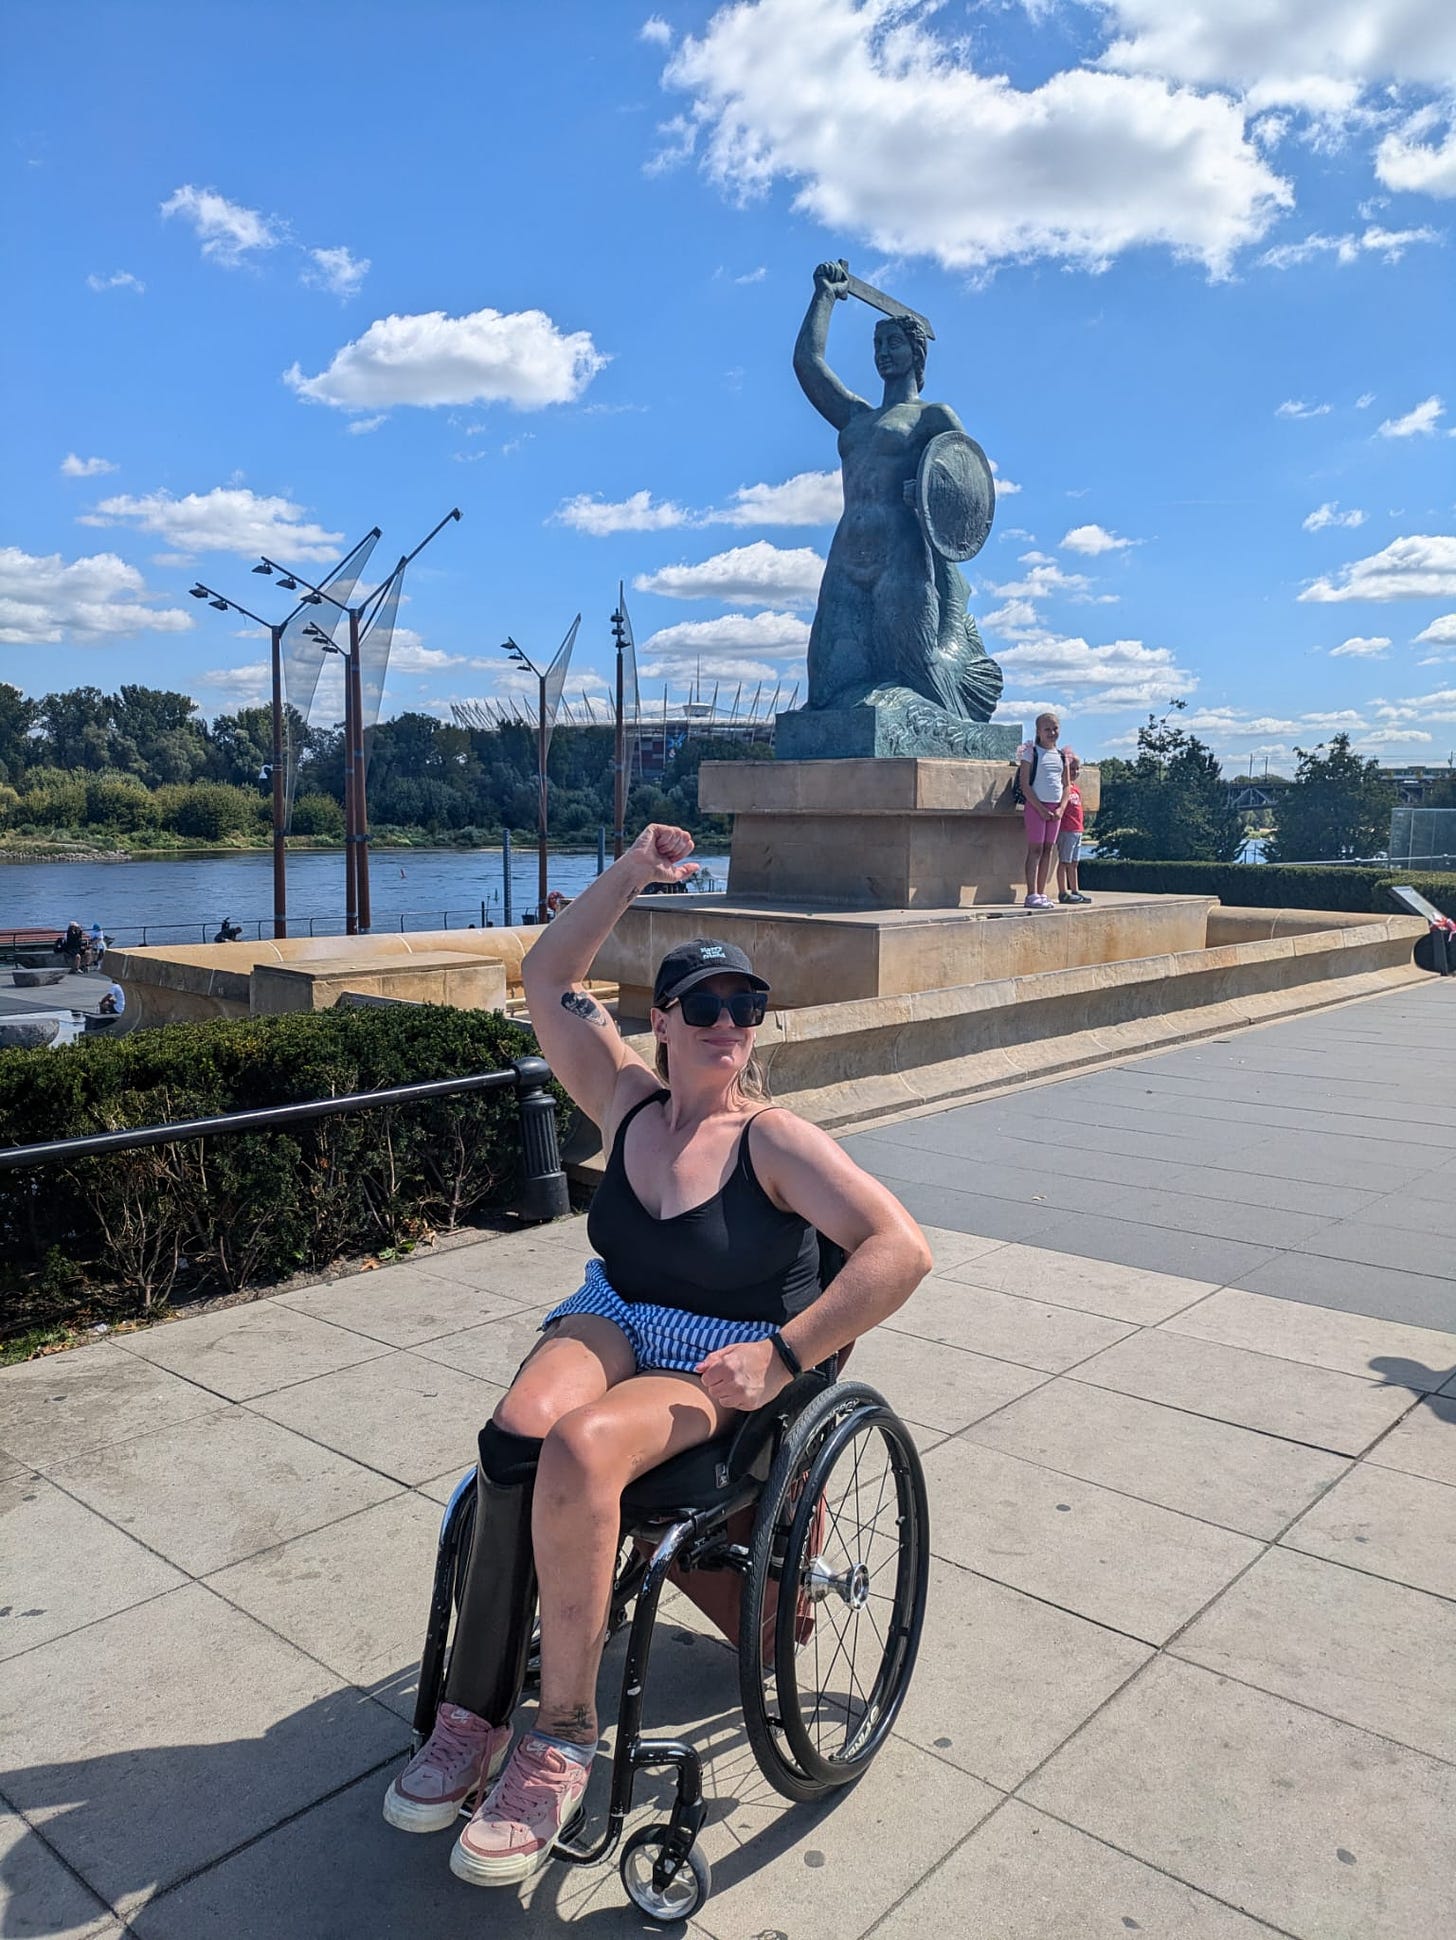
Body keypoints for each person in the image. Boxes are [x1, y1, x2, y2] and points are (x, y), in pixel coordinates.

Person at [382, 823, 933, 1889]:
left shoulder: (773, 1139)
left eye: (746, 1008)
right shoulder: (625, 1097)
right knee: (515, 1432)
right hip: (617, 1312)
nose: (730, 1023)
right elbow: (549, 972)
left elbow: (900, 1249)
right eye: (707, 1007)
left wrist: (785, 1353)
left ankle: (561, 1735)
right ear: (663, 1021)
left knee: (586, 1446)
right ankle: (471, 1712)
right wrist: (635, 870)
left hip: (722, 1351)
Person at [794, 260, 1003, 724]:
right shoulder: (855, 418)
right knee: (825, 690)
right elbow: (807, 364)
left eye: (894, 343)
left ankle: (961, 695)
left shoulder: (932, 418)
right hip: (848, 559)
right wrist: (824, 296)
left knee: (918, 674)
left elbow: (964, 497)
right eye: (877, 344)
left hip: (902, 562)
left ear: (916, 351)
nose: (883, 352)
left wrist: (927, 497)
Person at [1018, 712, 1072, 909]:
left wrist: (1061, 808)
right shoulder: (1030, 753)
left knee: (1049, 850)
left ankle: (1042, 892)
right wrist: (1039, 808)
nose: (1052, 732)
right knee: (1035, 849)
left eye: (1055, 728)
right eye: (1047, 729)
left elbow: (1067, 785)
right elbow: (1025, 784)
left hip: (1055, 808)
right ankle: (1031, 893)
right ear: (1038, 731)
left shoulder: (1061, 756)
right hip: (1036, 806)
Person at [1056, 758, 1091, 905]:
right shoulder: (1062, 788)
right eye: (1072, 769)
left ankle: (1075, 890)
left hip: (1077, 830)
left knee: (1074, 863)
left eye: (1077, 769)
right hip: (1066, 830)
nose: (1075, 772)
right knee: (1064, 861)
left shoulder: (1075, 788)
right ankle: (1063, 892)